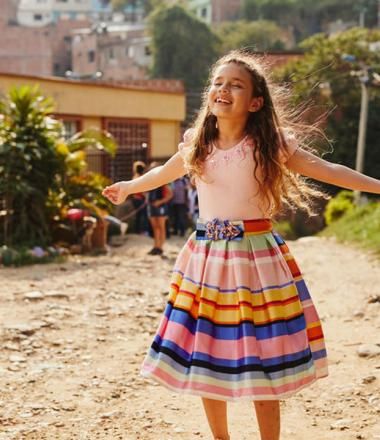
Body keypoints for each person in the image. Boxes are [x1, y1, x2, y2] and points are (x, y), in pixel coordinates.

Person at [102, 50, 380, 440]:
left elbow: (329, 170)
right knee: (206, 354)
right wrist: (130, 187)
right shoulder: (197, 144)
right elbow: (163, 172)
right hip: (206, 261)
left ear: (255, 102)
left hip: (257, 261)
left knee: (262, 357)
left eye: (235, 84)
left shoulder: (270, 145)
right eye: (218, 82)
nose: (223, 89)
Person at [146, 162, 173, 256]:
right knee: (155, 228)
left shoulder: (163, 180)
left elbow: (170, 195)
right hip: (151, 206)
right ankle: (156, 246)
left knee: (161, 227)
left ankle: (160, 247)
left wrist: (160, 202)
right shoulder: (148, 180)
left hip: (160, 206)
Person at [131, 161, 148, 234]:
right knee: (142, 215)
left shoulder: (135, 177)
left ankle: (137, 230)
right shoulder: (140, 177)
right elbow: (141, 189)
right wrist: (146, 196)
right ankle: (141, 230)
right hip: (139, 198)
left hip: (135, 198)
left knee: (138, 215)